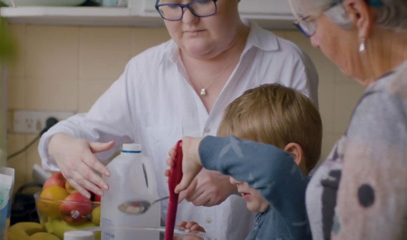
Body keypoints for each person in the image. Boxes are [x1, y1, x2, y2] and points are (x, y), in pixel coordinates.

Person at [37, 0, 319, 239]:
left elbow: (295, 172)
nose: (188, 18)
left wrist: (229, 178)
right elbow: (86, 130)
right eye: (172, 4)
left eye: (202, 1)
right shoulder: (144, 71)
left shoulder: (286, 62)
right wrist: (60, 144)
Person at [173, 0, 407, 239]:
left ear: (358, 14)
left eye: (311, 23)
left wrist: (200, 148)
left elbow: (277, 168)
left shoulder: (390, 102)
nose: (314, 40)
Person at [169, 84, 322, 240]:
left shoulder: (299, 207)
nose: (233, 179)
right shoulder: (268, 215)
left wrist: (198, 149)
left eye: (242, 165)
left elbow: (275, 167)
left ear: (291, 157)